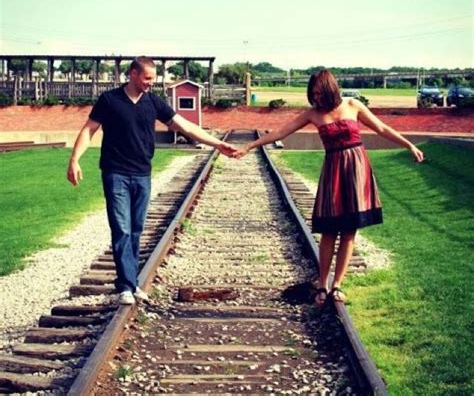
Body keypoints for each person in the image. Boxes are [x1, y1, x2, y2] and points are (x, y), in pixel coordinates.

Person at [234, 69, 424, 306]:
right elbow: (281, 132)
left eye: (319, 92)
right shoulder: (313, 114)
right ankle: (322, 284)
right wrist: (251, 145)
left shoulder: (353, 105)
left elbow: (382, 128)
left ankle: (337, 286)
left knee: (349, 231)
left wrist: (409, 145)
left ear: (329, 88)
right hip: (333, 171)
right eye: (313, 94)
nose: (317, 98)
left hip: (356, 170)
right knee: (329, 231)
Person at [67, 56, 238, 305]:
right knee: (122, 229)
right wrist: (74, 159)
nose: (151, 83)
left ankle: (130, 282)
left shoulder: (153, 102)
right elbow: (89, 130)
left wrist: (218, 143)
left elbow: (185, 126)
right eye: (147, 78)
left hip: (142, 174)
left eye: (153, 79)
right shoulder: (110, 100)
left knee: (136, 230)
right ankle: (126, 285)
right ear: (133, 74)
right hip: (116, 173)